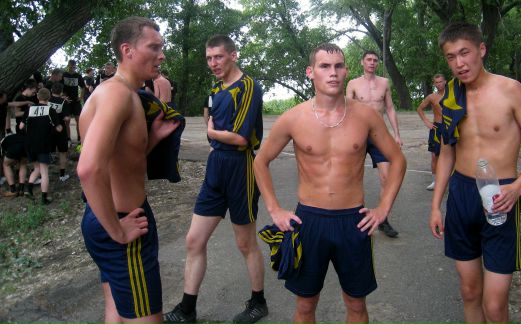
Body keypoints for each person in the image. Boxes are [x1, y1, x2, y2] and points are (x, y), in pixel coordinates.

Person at [254, 42, 406, 324]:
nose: (332, 72)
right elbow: (260, 161)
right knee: (305, 305)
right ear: (310, 72)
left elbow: (398, 160)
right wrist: (275, 209)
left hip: (353, 220)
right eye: (324, 66)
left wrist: (383, 208)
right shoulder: (293, 117)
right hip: (309, 220)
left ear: (346, 71)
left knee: (356, 304)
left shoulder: (366, 116)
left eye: (338, 66)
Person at [429, 23, 521, 324]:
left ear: (481, 50)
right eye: (451, 57)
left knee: (495, 306)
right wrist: (435, 205)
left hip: (501, 194)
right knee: (469, 291)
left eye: (465, 53)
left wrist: (518, 187)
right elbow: (446, 154)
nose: (459, 63)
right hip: (461, 193)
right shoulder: (450, 97)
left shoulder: (510, 90)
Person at [78, 16, 179, 323]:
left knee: (117, 311)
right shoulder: (116, 94)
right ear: (127, 50)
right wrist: (117, 230)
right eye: (154, 47)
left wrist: (152, 139)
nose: (161, 55)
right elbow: (88, 169)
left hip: (110, 216)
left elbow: (116, 162)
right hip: (123, 223)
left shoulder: (124, 93)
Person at [164, 35, 266, 324]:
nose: (213, 63)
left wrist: (211, 133)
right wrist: (214, 139)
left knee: (245, 243)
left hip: (241, 167)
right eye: (209, 58)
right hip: (216, 167)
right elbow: (212, 120)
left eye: (218, 57)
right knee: (194, 240)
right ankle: (187, 310)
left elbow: (241, 137)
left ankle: (258, 302)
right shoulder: (215, 88)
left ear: (233, 55)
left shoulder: (248, 86)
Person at [346, 50, 402, 238]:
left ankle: (382, 219)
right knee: (353, 177)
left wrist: (397, 134)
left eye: (375, 60)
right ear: (362, 62)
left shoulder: (384, 83)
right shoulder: (353, 84)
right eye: (368, 59)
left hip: (380, 134)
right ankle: (354, 218)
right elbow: (346, 109)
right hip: (359, 135)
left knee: (387, 177)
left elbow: (390, 108)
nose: (372, 62)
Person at [20, 88, 63, 205]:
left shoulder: (29, 109)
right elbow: (59, 128)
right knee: (44, 172)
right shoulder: (50, 110)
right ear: (48, 98)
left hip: (30, 144)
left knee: (36, 168)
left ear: (38, 97)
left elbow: (21, 126)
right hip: (43, 144)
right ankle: (44, 198)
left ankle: (28, 189)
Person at [416, 73, 447, 190]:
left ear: (445, 82)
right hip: (437, 128)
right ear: (434, 84)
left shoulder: (452, 95)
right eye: (436, 82)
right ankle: (435, 181)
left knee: (453, 155)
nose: (439, 84)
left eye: (440, 81)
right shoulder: (432, 97)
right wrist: (427, 122)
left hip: (450, 128)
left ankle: (452, 179)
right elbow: (419, 109)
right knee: (434, 155)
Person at [48, 83, 70, 182]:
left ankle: (42, 174)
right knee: (62, 152)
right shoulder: (64, 102)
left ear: (51, 91)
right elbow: (66, 118)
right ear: (61, 92)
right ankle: (62, 175)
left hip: (48, 129)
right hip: (60, 129)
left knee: (46, 151)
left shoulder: (46, 100)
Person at [61, 60, 85, 143]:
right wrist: (63, 96)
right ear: (68, 65)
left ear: (75, 66)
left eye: (74, 66)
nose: (72, 68)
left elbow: (83, 87)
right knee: (67, 120)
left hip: (75, 100)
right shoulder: (64, 75)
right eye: (71, 66)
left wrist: (81, 97)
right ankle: (68, 139)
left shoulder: (78, 76)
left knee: (78, 120)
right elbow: (59, 87)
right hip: (66, 101)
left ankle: (79, 138)